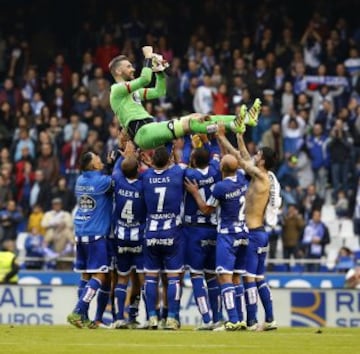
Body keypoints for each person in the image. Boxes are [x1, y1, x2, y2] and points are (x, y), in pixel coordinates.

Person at [108, 46, 261, 150]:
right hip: (142, 132)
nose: (133, 68)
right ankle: (235, 124)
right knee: (189, 123)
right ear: (119, 70)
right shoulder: (116, 90)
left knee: (196, 118)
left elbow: (159, 92)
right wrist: (148, 56)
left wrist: (159, 72)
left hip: (149, 129)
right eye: (128, 66)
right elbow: (144, 79)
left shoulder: (132, 93)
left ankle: (241, 121)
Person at [215, 115, 280, 331]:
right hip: (260, 232)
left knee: (249, 279)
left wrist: (223, 139)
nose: (256, 155)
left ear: (263, 161)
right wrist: (239, 135)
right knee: (258, 277)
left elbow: (240, 161)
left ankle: (252, 321)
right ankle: (269, 319)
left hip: (252, 232)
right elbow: (243, 157)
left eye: (259, 154)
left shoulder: (260, 177)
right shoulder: (263, 176)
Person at [185, 152, 249, 331]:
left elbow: (206, 209)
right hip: (242, 233)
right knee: (233, 278)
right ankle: (240, 318)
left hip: (225, 235)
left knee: (222, 277)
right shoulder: (242, 179)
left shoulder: (220, 187)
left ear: (222, 168)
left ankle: (230, 320)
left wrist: (196, 193)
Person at [67, 151, 113, 329]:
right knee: (100, 274)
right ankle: (79, 309)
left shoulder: (80, 181)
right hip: (96, 234)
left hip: (80, 232)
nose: (101, 161)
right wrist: (112, 164)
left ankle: (83, 317)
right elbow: (114, 180)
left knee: (86, 274)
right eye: (98, 160)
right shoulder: (101, 182)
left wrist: (106, 166)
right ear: (93, 165)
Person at [142, 146, 185, 330]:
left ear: (152, 162)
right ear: (169, 161)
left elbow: (143, 169)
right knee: (174, 277)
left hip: (150, 232)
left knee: (151, 277)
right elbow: (181, 163)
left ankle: (152, 317)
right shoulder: (177, 173)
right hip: (171, 232)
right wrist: (176, 150)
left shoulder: (145, 176)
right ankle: (172, 319)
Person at [183, 147, 223, 330]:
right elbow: (216, 153)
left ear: (193, 159)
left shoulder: (188, 174)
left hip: (194, 231)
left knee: (196, 275)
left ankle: (206, 319)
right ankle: (218, 318)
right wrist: (210, 140)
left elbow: (179, 164)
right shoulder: (216, 170)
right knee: (212, 276)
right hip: (213, 229)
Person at [112, 151, 147, 329]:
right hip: (139, 238)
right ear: (138, 170)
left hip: (121, 237)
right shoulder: (143, 185)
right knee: (143, 280)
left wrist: (123, 156)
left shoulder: (117, 181)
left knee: (122, 279)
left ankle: (119, 318)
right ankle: (150, 317)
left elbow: (117, 169)